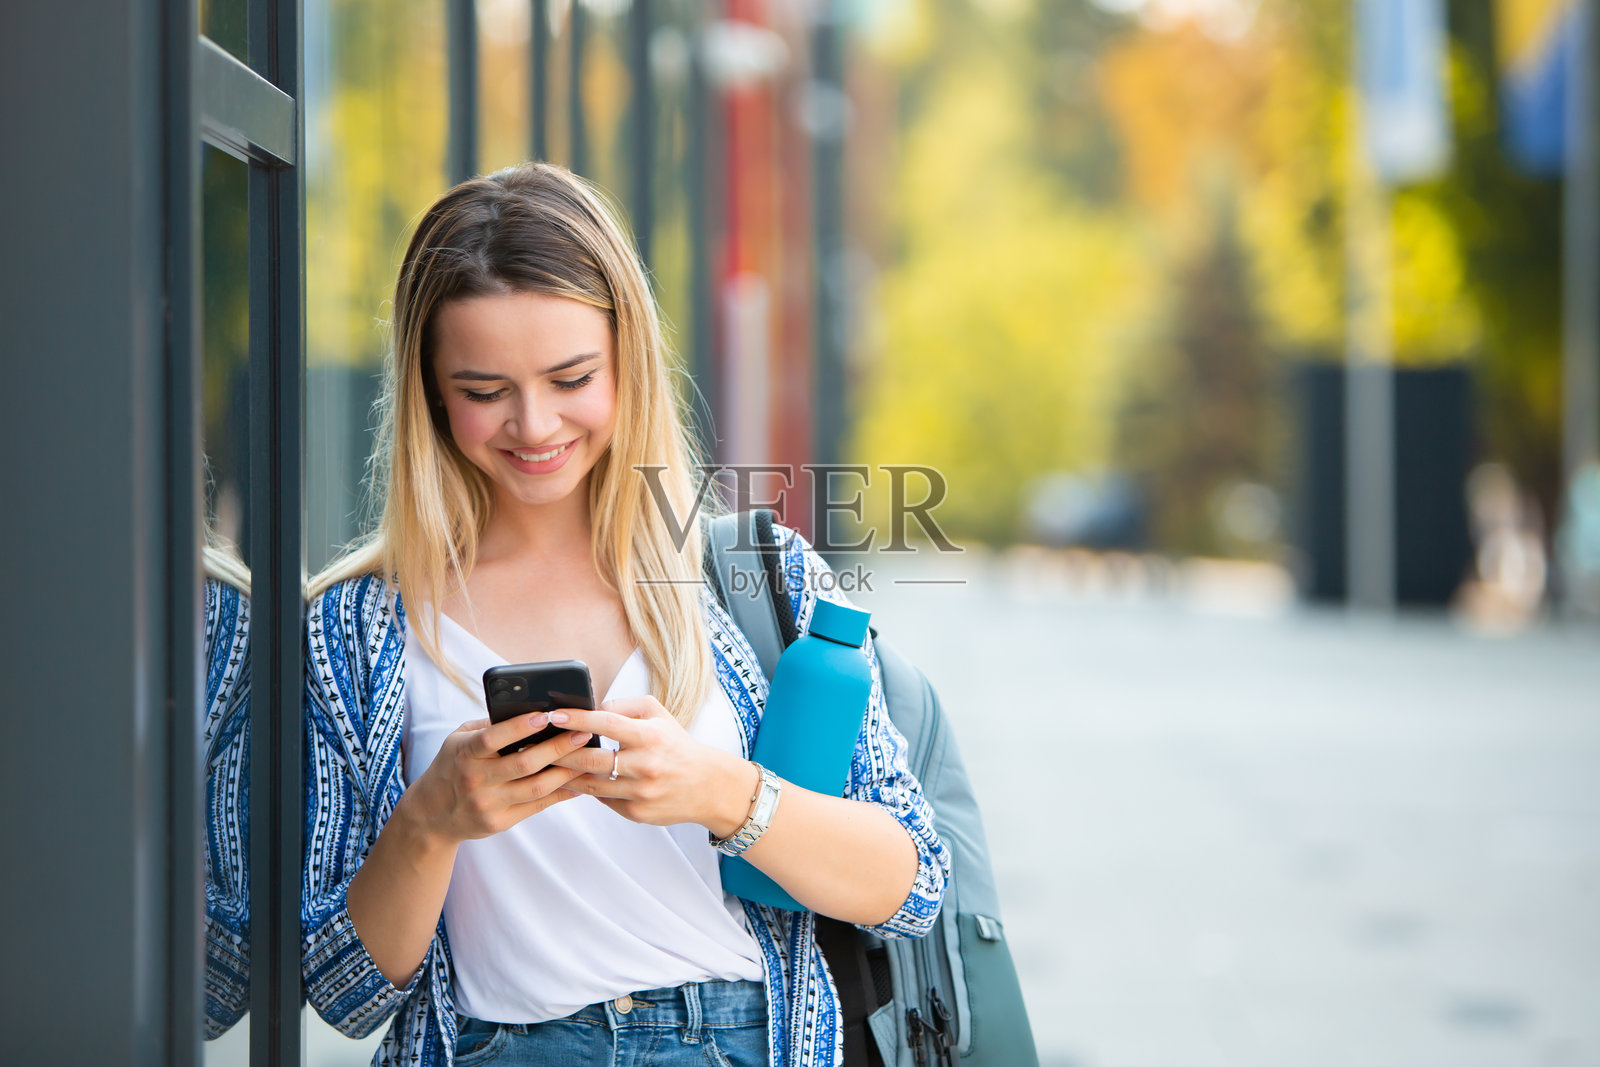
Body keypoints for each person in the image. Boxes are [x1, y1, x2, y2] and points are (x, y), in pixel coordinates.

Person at [302, 162, 950, 1067]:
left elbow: (914, 883)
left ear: (629, 361)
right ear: (431, 393)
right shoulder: (357, 628)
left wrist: (719, 791)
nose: (534, 425)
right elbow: (344, 989)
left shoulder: (750, 576)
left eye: (572, 377)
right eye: (485, 390)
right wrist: (434, 818)